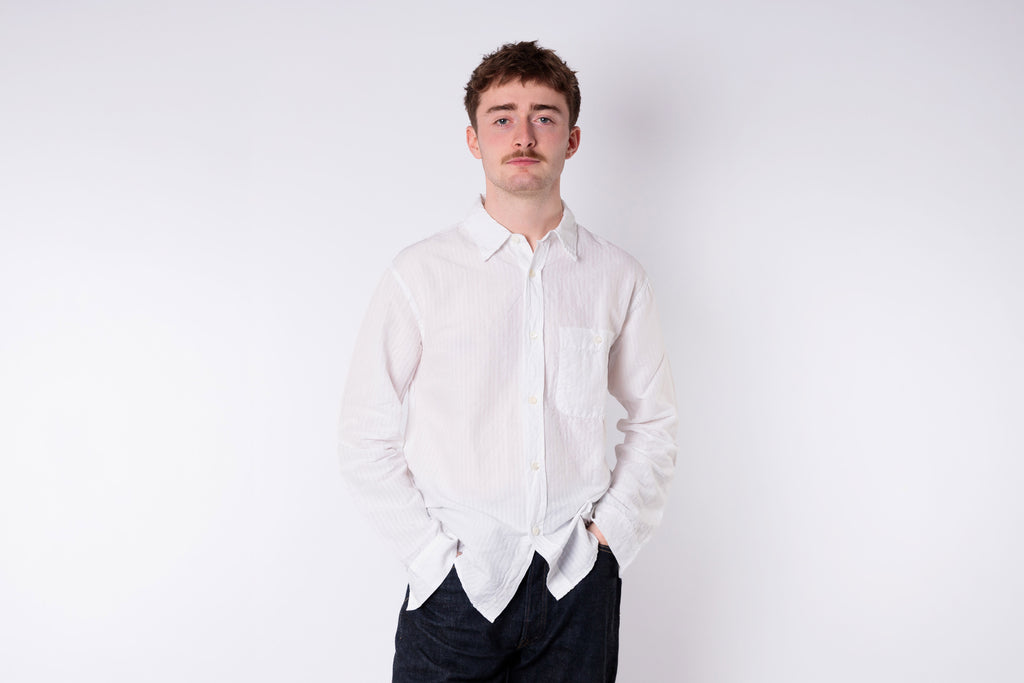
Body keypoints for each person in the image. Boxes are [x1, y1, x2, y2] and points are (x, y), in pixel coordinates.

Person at [339, 40, 678, 682]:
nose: (523, 135)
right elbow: (364, 434)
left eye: (544, 116)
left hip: (576, 586)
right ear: (474, 139)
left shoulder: (617, 277)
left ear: (572, 140)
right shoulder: (420, 273)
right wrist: (432, 558)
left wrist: (608, 542)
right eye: (502, 118)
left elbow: (654, 421)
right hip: (455, 592)